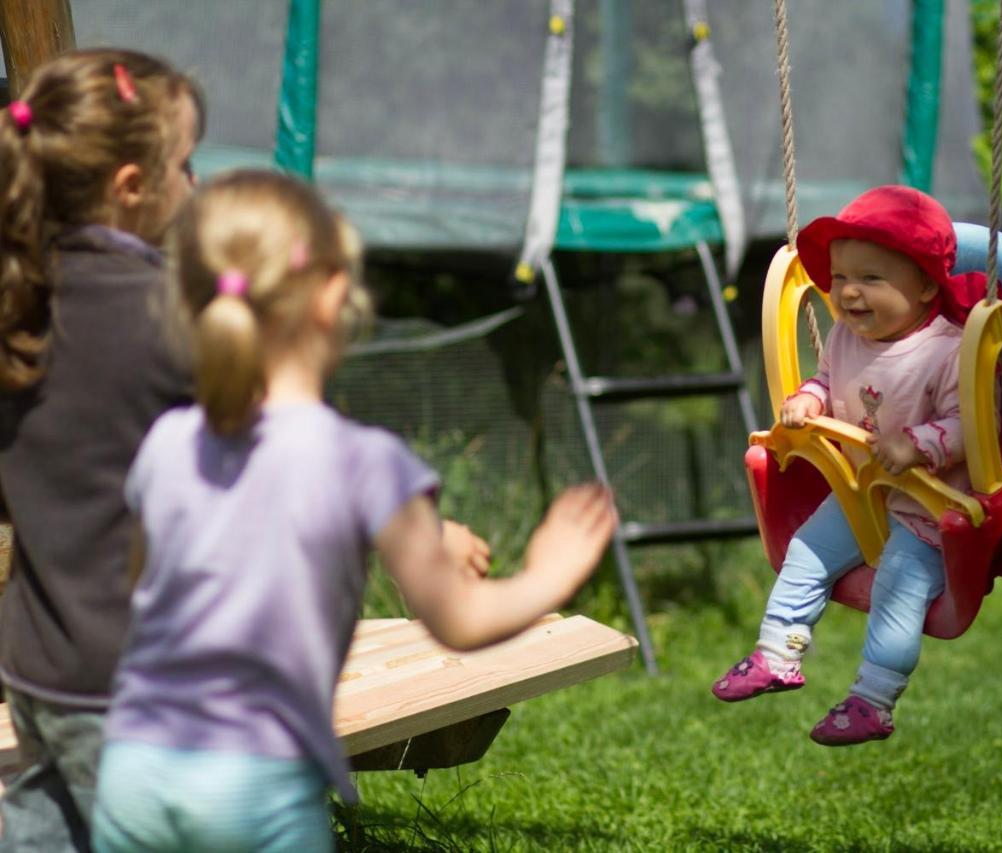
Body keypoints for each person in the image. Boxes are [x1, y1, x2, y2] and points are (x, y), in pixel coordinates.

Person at [90, 169, 616, 852]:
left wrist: (413, 538)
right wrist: (550, 572)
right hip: (258, 784)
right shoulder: (363, 460)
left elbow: (147, 583)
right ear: (333, 295)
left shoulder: (165, 442)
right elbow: (457, 618)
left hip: (131, 764)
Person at [0, 49, 204, 851]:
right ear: (131, 186)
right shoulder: (170, 317)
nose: (196, 184)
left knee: (48, 819)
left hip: (38, 667)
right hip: (136, 678)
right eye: (186, 165)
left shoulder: (19, 300)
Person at [712, 185, 992, 746]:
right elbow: (830, 378)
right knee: (806, 552)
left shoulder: (948, 351)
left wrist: (919, 444)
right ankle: (777, 655)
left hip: (925, 507)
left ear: (926, 286)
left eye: (871, 279)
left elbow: (973, 425)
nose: (848, 293)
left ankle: (873, 699)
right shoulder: (846, 336)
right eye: (840, 279)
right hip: (861, 491)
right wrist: (811, 397)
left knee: (898, 585)